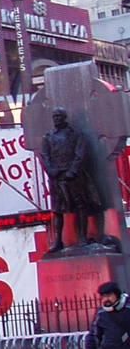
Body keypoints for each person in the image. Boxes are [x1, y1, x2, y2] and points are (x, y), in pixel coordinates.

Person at [40, 108, 106, 253]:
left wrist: (73, 170)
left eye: (59, 116)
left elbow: (80, 153)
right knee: (58, 210)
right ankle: (58, 241)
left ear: (64, 117)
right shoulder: (48, 136)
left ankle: (82, 237)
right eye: (54, 116)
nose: (56, 119)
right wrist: (51, 171)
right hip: (57, 177)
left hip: (74, 176)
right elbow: (44, 155)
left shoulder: (75, 134)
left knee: (80, 205)